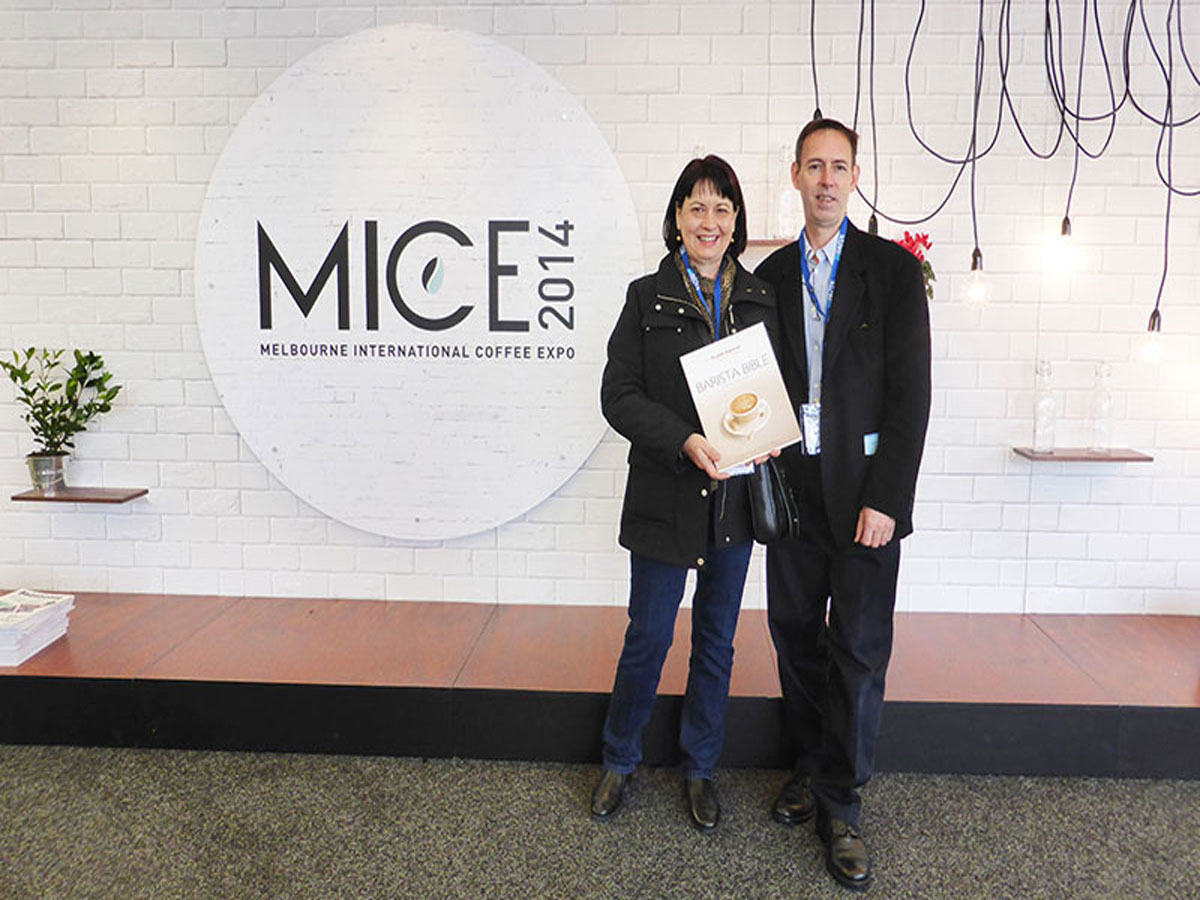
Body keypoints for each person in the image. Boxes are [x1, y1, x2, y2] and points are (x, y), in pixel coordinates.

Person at [755, 118, 931, 889]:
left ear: (855, 177)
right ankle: (812, 764)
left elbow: (911, 396)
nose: (827, 180)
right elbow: (752, 385)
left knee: (858, 649)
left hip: (864, 499)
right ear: (794, 175)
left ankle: (843, 802)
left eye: (840, 166)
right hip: (793, 493)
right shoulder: (767, 274)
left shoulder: (891, 272)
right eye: (814, 166)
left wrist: (889, 497)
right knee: (795, 639)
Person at [592, 155, 778, 831]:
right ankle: (619, 757)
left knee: (717, 641)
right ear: (676, 219)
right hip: (666, 496)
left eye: (722, 208)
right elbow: (618, 396)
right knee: (647, 636)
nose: (709, 220)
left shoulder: (759, 299)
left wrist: (774, 431)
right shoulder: (646, 298)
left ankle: (699, 767)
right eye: (696, 207)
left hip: (733, 503)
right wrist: (683, 441)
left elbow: (774, 395)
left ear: (737, 223)